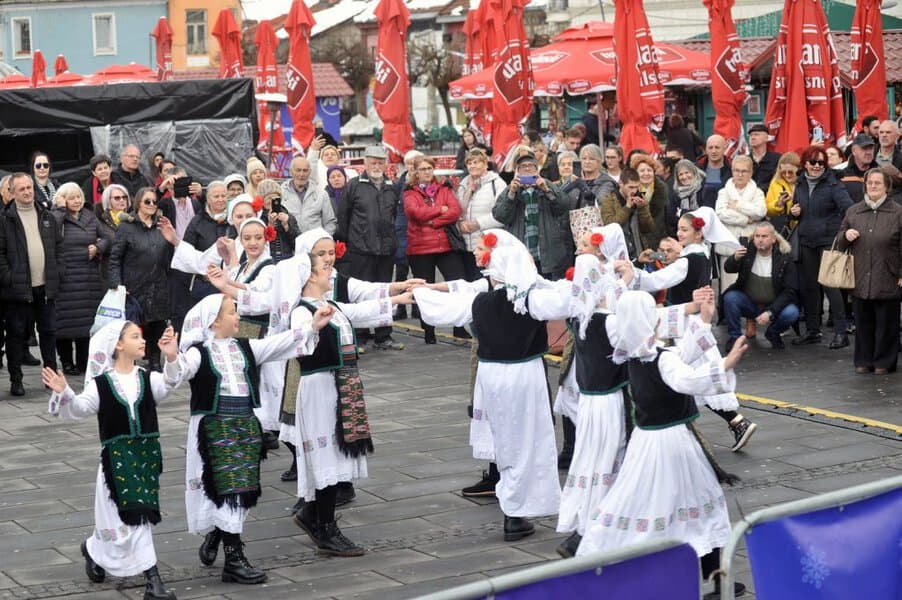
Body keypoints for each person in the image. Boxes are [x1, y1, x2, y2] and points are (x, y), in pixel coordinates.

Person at [576, 290, 748, 600]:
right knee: (700, 504)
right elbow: (686, 379)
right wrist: (725, 364)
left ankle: (608, 554)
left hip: (645, 443)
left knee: (647, 503)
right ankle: (712, 580)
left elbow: (681, 358)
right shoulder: (660, 358)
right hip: (674, 445)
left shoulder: (631, 354)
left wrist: (704, 321)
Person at [414, 231, 561, 543]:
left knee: (506, 440)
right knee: (529, 439)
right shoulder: (529, 299)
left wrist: (419, 292)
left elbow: (441, 308)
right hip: (524, 375)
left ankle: (513, 507)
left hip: (491, 376)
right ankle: (516, 511)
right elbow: (569, 299)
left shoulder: (479, 301)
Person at [178, 291, 333, 585]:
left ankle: (217, 534)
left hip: (244, 428)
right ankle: (234, 560)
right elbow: (179, 371)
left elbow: (279, 344)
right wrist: (172, 357)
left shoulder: (246, 348)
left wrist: (312, 326)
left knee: (241, 489)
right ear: (213, 321)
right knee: (229, 490)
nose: (238, 316)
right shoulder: (199, 352)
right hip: (214, 429)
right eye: (231, 312)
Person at [43, 320, 182, 600]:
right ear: (118, 345)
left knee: (131, 520)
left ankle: (93, 549)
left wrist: (170, 356)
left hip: (144, 461)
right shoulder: (102, 384)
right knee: (134, 518)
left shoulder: (148, 378)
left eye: (142, 337)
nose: (142, 341)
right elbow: (80, 408)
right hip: (115, 464)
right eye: (135, 337)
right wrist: (64, 392)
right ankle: (153, 580)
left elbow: (170, 382)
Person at [287, 251, 412, 556]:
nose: (331, 272)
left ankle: (313, 516)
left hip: (339, 386)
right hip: (319, 388)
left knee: (335, 452)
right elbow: (299, 341)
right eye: (324, 268)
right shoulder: (302, 311)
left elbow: (362, 311)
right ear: (309, 277)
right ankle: (326, 528)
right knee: (326, 453)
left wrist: (399, 299)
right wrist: (313, 327)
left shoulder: (332, 306)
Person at [0, 172, 64, 396]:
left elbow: (59, 248)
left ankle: (50, 376)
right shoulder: (4, 219)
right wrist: (9, 277)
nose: (27, 192)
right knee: (16, 335)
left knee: (48, 332)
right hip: (17, 290)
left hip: (45, 287)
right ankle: (16, 380)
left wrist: (58, 271)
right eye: (22, 189)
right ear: (12, 192)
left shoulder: (46, 216)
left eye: (29, 187)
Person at [336, 145, 405, 350]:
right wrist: (352, 243)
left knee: (385, 292)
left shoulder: (391, 186)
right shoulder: (354, 185)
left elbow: (394, 216)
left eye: (380, 162)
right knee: (361, 294)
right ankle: (361, 334)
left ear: (385, 164)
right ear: (365, 163)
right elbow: (344, 216)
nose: (376, 165)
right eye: (373, 162)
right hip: (361, 250)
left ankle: (384, 335)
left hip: (385, 250)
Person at [836, 169, 902, 374]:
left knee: (886, 324)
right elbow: (839, 242)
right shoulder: (854, 211)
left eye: (878, 183)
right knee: (863, 322)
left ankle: (884, 362)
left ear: (886, 187)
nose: (873, 186)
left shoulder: (898, 212)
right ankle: (863, 361)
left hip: (888, 274)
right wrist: (846, 235)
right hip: (860, 274)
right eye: (870, 183)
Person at [791, 145, 854, 349]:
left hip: (828, 241)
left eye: (821, 162)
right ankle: (812, 330)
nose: (817, 166)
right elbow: (795, 211)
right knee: (810, 287)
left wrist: (839, 232)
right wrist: (793, 212)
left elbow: (849, 210)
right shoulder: (799, 183)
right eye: (813, 162)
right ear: (805, 164)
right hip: (807, 240)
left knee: (831, 286)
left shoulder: (833, 184)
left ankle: (841, 332)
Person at [404, 156, 469, 342]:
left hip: (445, 246)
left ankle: (459, 326)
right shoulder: (410, 192)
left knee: (456, 284)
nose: (426, 172)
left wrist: (433, 221)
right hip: (420, 248)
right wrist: (440, 210)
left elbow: (455, 211)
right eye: (422, 168)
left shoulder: (444, 188)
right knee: (425, 291)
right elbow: (415, 213)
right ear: (415, 171)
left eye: (429, 168)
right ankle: (428, 331)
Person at [108, 187, 173, 371]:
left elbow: (169, 255)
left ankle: (154, 361)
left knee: (157, 325)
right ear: (138, 204)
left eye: (154, 202)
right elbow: (114, 259)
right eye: (147, 201)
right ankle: (129, 363)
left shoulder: (161, 226)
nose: (152, 205)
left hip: (158, 284)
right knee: (133, 328)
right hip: (134, 286)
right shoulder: (126, 227)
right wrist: (116, 285)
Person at [52, 183, 112, 375]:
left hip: (88, 279)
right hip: (66, 277)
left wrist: (98, 248)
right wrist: (60, 209)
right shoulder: (56, 217)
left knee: (86, 323)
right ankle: (66, 361)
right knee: (64, 324)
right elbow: (51, 235)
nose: (77, 201)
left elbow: (106, 238)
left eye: (79, 196)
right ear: (63, 199)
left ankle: (83, 361)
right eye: (72, 197)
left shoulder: (90, 217)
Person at [492, 151, 570, 279]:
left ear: (537, 169)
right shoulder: (511, 189)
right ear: (517, 171)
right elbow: (500, 216)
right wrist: (511, 194)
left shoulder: (547, 184)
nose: (527, 168)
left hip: (546, 252)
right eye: (523, 166)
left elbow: (564, 207)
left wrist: (547, 191)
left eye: (531, 166)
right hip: (521, 253)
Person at [722, 222, 799, 350]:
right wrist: (735, 258)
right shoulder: (747, 252)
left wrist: (771, 312)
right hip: (750, 303)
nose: (760, 240)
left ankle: (773, 333)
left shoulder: (784, 258)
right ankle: (735, 338)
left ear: (773, 239)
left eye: (764, 236)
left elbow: (790, 291)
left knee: (792, 312)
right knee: (730, 297)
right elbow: (728, 269)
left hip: (774, 307)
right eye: (757, 236)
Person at [714, 155, 767, 291]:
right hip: (729, 244)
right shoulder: (723, 192)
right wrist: (746, 219)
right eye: (737, 170)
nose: (740, 174)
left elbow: (760, 212)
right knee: (728, 286)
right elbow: (721, 213)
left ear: (750, 173)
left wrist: (738, 205)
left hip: (751, 243)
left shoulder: (758, 193)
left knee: (752, 286)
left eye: (744, 171)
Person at [457, 149, 505, 281]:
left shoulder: (497, 183)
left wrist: (477, 224)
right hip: (465, 246)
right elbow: (457, 210)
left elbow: (502, 215)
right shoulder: (462, 184)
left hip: (487, 245)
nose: (472, 166)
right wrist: (460, 222)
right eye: (469, 163)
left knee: (486, 284)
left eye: (476, 162)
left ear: (485, 164)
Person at [183, 181, 231, 301]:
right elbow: (187, 252)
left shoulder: (234, 219)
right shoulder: (197, 221)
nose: (221, 199)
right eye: (216, 196)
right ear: (208, 199)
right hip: (205, 283)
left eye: (223, 196)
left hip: (230, 282)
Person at [600, 168, 655, 260]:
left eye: (637, 187)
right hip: (619, 253)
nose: (634, 190)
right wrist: (627, 207)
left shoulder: (641, 198)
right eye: (631, 187)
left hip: (638, 251)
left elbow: (648, 228)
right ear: (621, 183)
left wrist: (642, 209)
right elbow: (609, 225)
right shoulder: (609, 201)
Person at [280, 156, 337, 234]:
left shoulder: (321, 194)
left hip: (315, 243)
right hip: (289, 243)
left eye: (305, 170)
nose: (302, 174)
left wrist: (323, 240)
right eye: (298, 170)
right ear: (291, 172)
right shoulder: (280, 193)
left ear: (310, 172)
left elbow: (330, 223)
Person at [94, 184, 133, 287]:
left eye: (124, 197)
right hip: (108, 272)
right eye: (117, 198)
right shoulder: (99, 221)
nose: (122, 200)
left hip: (132, 272)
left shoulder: (133, 218)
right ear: (108, 200)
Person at [632, 154, 671, 248]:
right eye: (642, 171)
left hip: (660, 240)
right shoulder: (631, 191)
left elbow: (668, 219)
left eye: (649, 170)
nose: (646, 173)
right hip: (638, 241)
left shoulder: (663, 189)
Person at [256, 179, 299, 263]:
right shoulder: (259, 218)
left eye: (275, 198)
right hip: (267, 262)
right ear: (262, 200)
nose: (272, 200)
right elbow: (261, 244)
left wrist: (287, 226)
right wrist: (270, 225)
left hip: (287, 261)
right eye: (268, 198)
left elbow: (297, 244)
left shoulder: (287, 216)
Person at [668, 159, 705, 234]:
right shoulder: (676, 194)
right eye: (680, 174)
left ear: (693, 172)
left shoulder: (704, 189)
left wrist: (682, 212)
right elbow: (671, 219)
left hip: (702, 234)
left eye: (687, 172)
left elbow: (704, 216)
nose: (684, 177)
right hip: (682, 236)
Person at [840, 133, 879, 204]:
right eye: (864, 148)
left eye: (870, 148)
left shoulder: (881, 174)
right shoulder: (842, 176)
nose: (868, 152)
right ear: (854, 151)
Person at [696, 135, 731, 209]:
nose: (713, 151)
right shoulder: (696, 169)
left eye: (717, 147)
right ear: (706, 150)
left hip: (725, 214)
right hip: (701, 214)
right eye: (710, 148)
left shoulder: (732, 169)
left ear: (724, 149)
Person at [747, 123, 781, 192]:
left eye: (756, 134)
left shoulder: (777, 159)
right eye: (751, 135)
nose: (753, 137)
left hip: (770, 197)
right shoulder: (745, 160)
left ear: (766, 138)